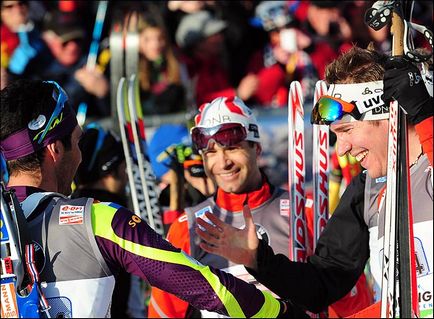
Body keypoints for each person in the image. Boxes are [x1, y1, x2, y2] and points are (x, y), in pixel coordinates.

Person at [0, 79, 294, 318]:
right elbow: (206, 287)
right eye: (76, 143)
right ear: (55, 150)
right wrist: (279, 312)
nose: (79, 156)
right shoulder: (96, 218)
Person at [195, 47, 433, 317]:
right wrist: (259, 260)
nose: (341, 149)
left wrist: (424, 113)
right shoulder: (367, 187)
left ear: (386, 113)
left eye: (346, 131)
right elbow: (323, 283)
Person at [148, 96, 373, 318]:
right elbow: (164, 312)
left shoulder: (305, 212)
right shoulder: (187, 229)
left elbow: (352, 303)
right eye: (211, 153)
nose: (223, 162)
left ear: (256, 148)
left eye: (233, 148)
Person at [71, 124, 131, 317]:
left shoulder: (63, 209)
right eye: (123, 165)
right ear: (111, 168)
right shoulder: (114, 216)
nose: (127, 174)